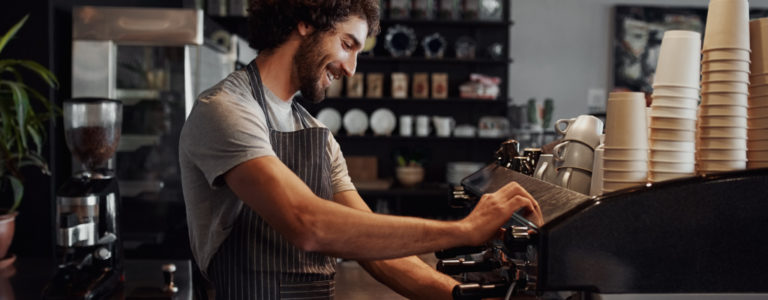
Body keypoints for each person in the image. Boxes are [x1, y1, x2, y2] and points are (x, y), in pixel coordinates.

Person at [179, 1, 543, 299]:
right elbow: (308, 224)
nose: (351, 69)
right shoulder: (226, 110)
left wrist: (462, 295)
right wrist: (465, 229)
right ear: (307, 22)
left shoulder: (317, 134)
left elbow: (379, 257)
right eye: (348, 45)